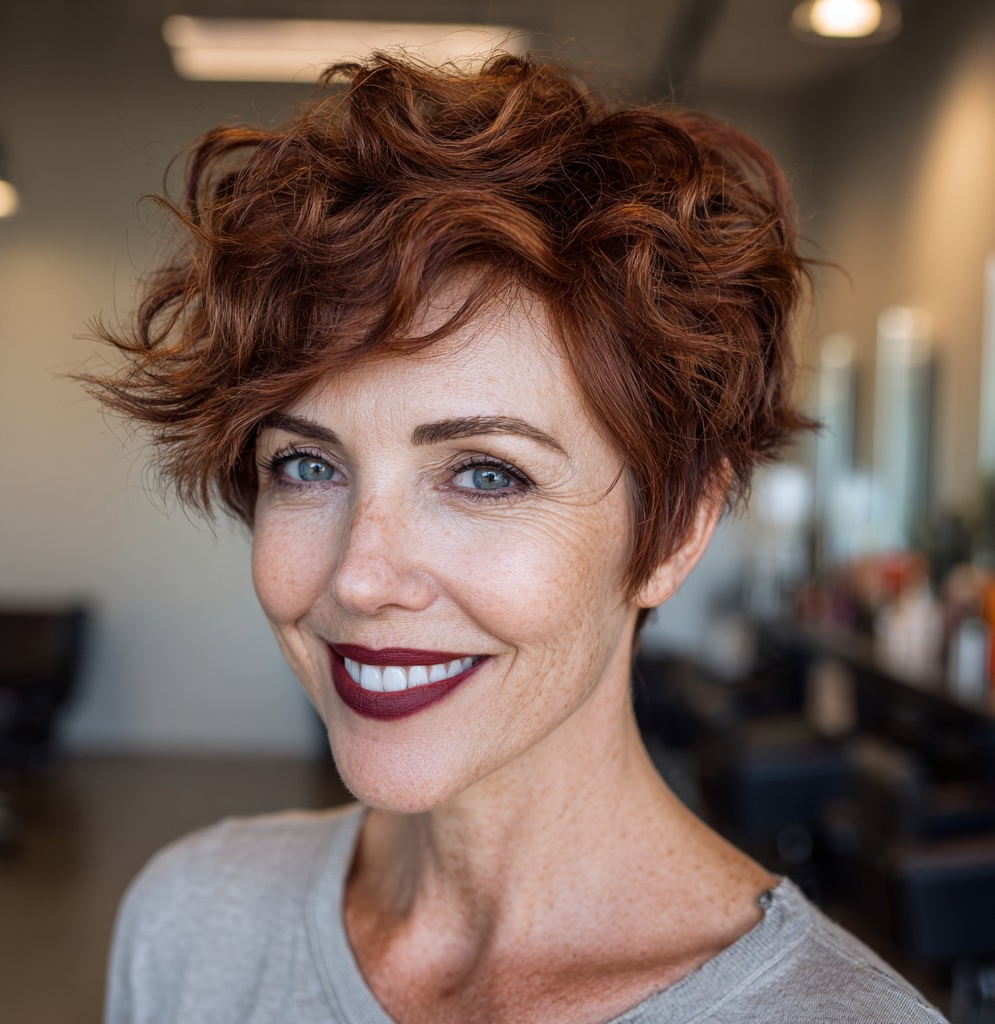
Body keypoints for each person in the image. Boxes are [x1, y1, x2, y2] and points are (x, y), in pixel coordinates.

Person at [93, 53, 948, 1024]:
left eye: (486, 473)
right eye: (307, 465)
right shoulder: (190, 924)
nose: (361, 576)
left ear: (676, 525)